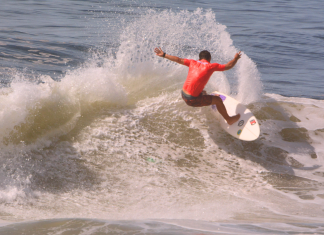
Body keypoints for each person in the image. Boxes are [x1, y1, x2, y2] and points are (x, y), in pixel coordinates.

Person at [154, 47, 241, 125]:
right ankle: (229, 119)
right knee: (218, 100)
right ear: (209, 59)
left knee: (203, 92)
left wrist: (164, 55)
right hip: (192, 100)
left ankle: (207, 99)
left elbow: (178, 59)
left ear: (199, 58)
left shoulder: (192, 62)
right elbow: (229, 66)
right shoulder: (211, 66)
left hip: (183, 94)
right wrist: (236, 58)